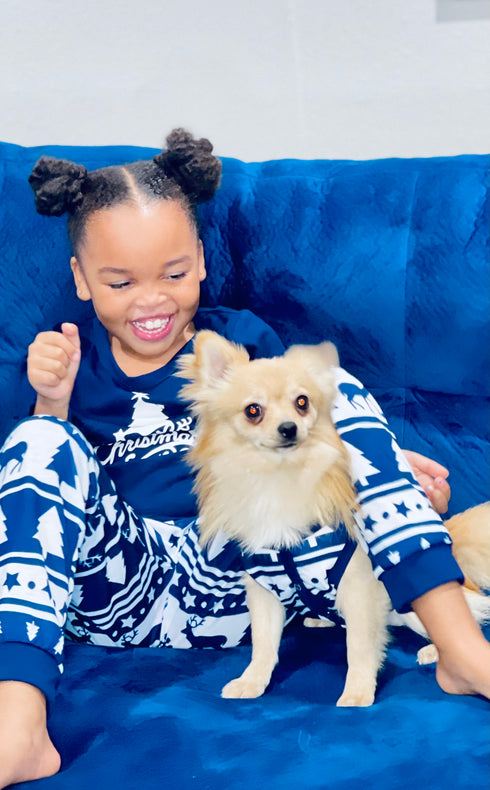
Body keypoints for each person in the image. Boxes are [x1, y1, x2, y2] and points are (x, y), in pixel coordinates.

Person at [0, 129, 488, 788]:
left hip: (252, 574)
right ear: (82, 280)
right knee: (35, 441)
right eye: (121, 281)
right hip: (131, 588)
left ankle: (461, 650)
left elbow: (300, 435)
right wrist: (51, 404)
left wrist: (385, 474)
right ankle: (19, 724)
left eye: (173, 274)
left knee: (331, 388)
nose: (151, 300)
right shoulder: (71, 362)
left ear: (201, 260)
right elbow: (44, 510)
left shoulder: (239, 341)